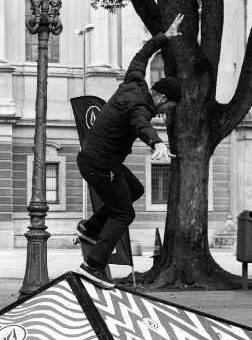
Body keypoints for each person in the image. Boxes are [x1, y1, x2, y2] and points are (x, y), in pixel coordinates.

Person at [75, 14, 184, 289]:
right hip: (100, 165)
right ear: (161, 97)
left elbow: (141, 55)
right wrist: (158, 143)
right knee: (124, 213)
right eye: (168, 108)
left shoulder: (134, 81)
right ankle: (93, 266)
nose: (165, 114)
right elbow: (140, 125)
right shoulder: (140, 108)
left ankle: (90, 229)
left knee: (134, 190)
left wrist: (163, 37)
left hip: (97, 159)